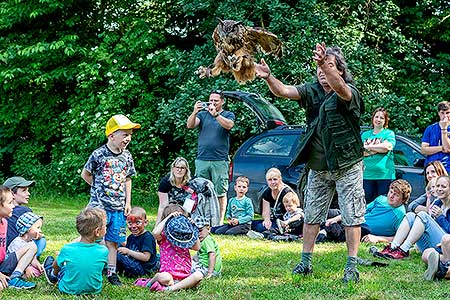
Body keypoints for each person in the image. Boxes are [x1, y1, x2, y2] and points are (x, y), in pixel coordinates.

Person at [255, 42, 364, 283]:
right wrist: (269, 77)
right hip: (318, 166)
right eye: (320, 71)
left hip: (348, 165)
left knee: (351, 215)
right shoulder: (312, 91)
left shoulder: (350, 93)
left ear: (340, 70)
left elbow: (341, 90)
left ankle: (352, 267)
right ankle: (305, 262)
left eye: (329, 68)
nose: (323, 75)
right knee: (312, 214)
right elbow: (283, 91)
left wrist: (325, 63)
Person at [81, 114, 141, 286]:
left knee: (113, 241)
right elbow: (85, 173)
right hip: (99, 207)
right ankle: (91, 267)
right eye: (124, 134)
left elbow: (128, 178)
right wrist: (97, 188)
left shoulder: (127, 156)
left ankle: (112, 273)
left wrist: (128, 202)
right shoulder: (98, 154)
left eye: (130, 134)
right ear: (111, 135)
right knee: (94, 238)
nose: (128, 138)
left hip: (118, 207)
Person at [187, 89, 236, 225]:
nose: (212, 103)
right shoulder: (203, 115)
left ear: (222, 102)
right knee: (200, 190)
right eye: (211, 100)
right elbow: (190, 125)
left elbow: (229, 125)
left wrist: (216, 115)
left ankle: (218, 223)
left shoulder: (228, 114)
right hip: (202, 159)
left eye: (216, 100)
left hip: (220, 160)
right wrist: (194, 111)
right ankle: (201, 220)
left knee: (220, 192)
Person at [375, 175, 450, 259]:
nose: (439, 189)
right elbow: (412, 207)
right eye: (437, 186)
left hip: (445, 248)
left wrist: (440, 217)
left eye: (443, 186)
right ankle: (393, 247)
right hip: (430, 245)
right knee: (410, 215)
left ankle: (403, 250)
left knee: (423, 215)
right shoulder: (437, 203)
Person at [134, 205, 203, 292]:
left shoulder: (185, 239)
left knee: (199, 275)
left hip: (185, 276)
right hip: (168, 276)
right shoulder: (163, 237)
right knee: (163, 277)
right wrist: (169, 217)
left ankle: (169, 289)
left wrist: (192, 228)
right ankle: (151, 283)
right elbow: (154, 233)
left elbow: (197, 247)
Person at [320, 179, 411, 243]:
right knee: (326, 213)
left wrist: (378, 238)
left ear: (403, 199)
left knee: (345, 231)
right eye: (391, 192)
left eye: (396, 195)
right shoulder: (381, 199)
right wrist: (336, 218)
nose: (391, 196)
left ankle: (324, 230)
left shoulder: (400, 215)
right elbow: (359, 211)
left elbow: (400, 238)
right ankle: (320, 226)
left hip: (363, 228)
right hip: (355, 217)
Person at [43, 207, 108, 295]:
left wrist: (55, 273)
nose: (106, 228)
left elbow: (56, 266)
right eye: (105, 226)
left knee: (63, 267)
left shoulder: (67, 249)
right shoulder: (103, 251)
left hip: (67, 289)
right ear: (97, 231)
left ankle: (52, 276)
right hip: (95, 290)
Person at [0, 185, 37, 290]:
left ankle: (15, 277)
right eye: (10, 203)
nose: (13, 206)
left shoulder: (4, 223)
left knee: (32, 246)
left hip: (3, 264)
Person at [3, 176, 46, 258]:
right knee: (41, 240)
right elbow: (35, 234)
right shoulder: (25, 211)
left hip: (6, 252)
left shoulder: (3, 212)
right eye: (24, 191)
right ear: (12, 194)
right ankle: (31, 259)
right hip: (18, 250)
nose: (28, 193)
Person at [361, 107, 396, 204]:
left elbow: (387, 147)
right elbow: (360, 152)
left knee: (384, 204)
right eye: (376, 117)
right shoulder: (365, 135)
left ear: (385, 121)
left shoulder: (388, 133)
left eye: (381, 118)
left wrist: (368, 147)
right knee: (367, 204)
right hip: (367, 175)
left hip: (385, 176)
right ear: (373, 118)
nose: (378, 120)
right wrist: (378, 149)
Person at [248, 168, 296, 237]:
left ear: (280, 179)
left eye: (275, 179)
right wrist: (267, 220)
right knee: (252, 223)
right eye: (270, 180)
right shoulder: (267, 192)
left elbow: (294, 211)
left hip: (286, 222)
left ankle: (262, 234)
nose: (273, 182)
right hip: (274, 220)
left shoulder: (286, 192)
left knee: (261, 227)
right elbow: (265, 212)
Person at [116, 206, 159, 277]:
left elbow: (146, 257)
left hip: (142, 269)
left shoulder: (147, 237)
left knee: (119, 255)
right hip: (134, 262)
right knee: (116, 246)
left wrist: (128, 251)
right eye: (130, 223)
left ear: (145, 223)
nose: (133, 226)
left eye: (137, 222)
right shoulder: (131, 237)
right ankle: (116, 270)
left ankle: (114, 270)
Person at [156, 157, 193, 225]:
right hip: (171, 211)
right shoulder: (165, 182)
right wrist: (157, 225)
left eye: (182, 168)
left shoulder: (191, 183)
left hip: (187, 211)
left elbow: (191, 203)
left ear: (186, 170)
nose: (179, 170)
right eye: (177, 167)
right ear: (173, 169)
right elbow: (163, 206)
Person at [7, 212, 44, 278]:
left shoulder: (31, 242)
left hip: (25, 264)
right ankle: (16, 275)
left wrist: (38, 265)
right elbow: (17, 260)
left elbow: (33, 259)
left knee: (37, 271)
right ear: (28, 229)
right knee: (30, 272)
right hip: (12, 266)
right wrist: (27, 268)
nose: (40, 231)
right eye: (38, 228)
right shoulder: (17, 243)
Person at [421, 101, 450, 173]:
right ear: (438, 113)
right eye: (442, 113)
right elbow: (424, 150)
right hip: (431, 168)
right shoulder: (430, 128)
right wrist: (441, 148)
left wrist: (444, 128)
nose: (445, 116)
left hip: (447, 168)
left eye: (447, 113)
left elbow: (447, 149)